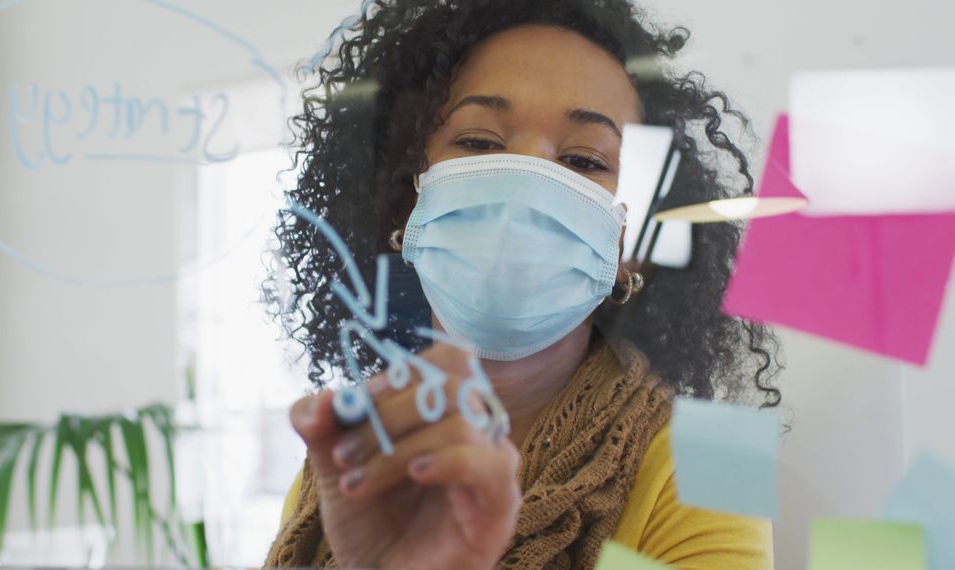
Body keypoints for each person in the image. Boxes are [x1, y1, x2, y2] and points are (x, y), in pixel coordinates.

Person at [262, 1, 782, 568]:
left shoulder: (716, 464)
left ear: (634, 248)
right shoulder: (342, 466)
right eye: (480, 144)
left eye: (584, 160)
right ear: (405, 200)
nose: (525, 184)